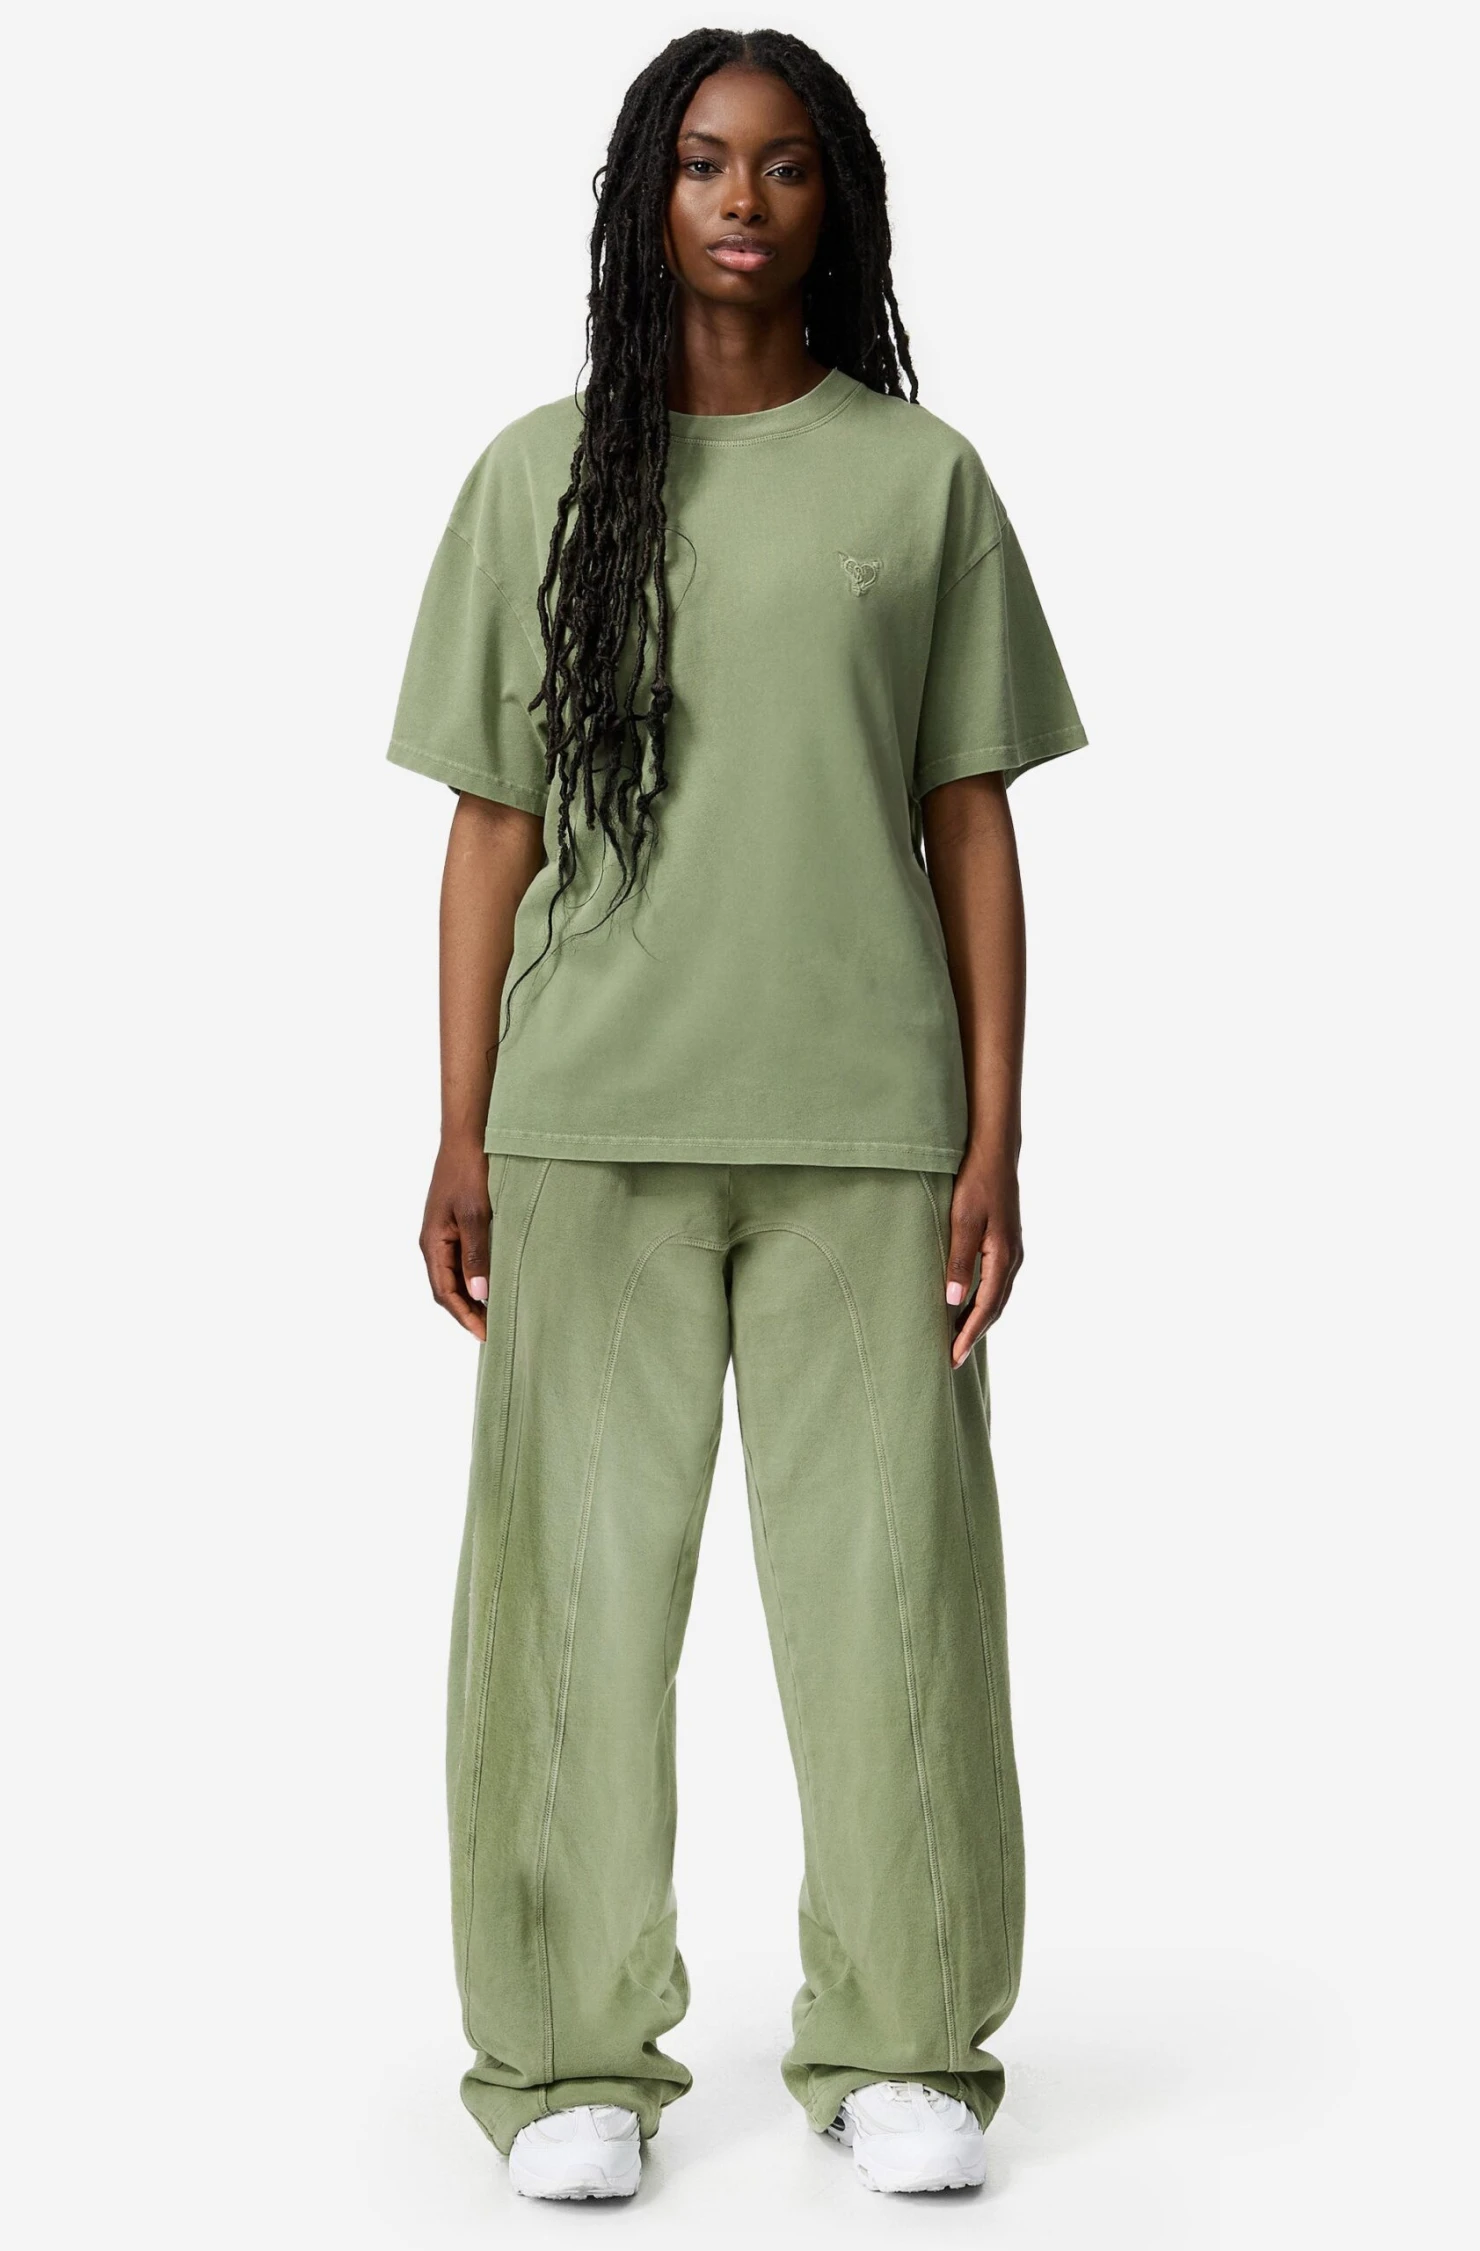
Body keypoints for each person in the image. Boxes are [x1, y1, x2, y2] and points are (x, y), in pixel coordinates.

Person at [386, 25, 1087, 2203]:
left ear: (834, 199)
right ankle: (567, 2059)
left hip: (871, 1125)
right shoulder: (536, 479)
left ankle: (904, 2038)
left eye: (784, 165)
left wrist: (995, 1133)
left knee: (895, 1597)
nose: (744, 201)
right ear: (648, 198)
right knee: (572, 1594)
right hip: (589, 1114)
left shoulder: (922, 480)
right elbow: (490, 833)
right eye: (703, 163)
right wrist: (459, 1130)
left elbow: (971, 823)